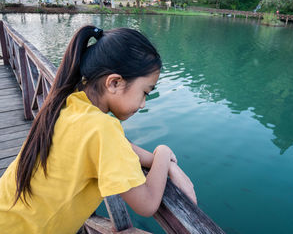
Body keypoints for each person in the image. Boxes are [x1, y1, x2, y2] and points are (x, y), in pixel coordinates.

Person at [0, 25, 196, 234]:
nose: (143, 104)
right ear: (114, 83)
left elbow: (121, 148)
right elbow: (147, 204)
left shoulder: (69, 103)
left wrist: (159, 160)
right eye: (145, 92)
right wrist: (164, 152)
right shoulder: (102, 128)